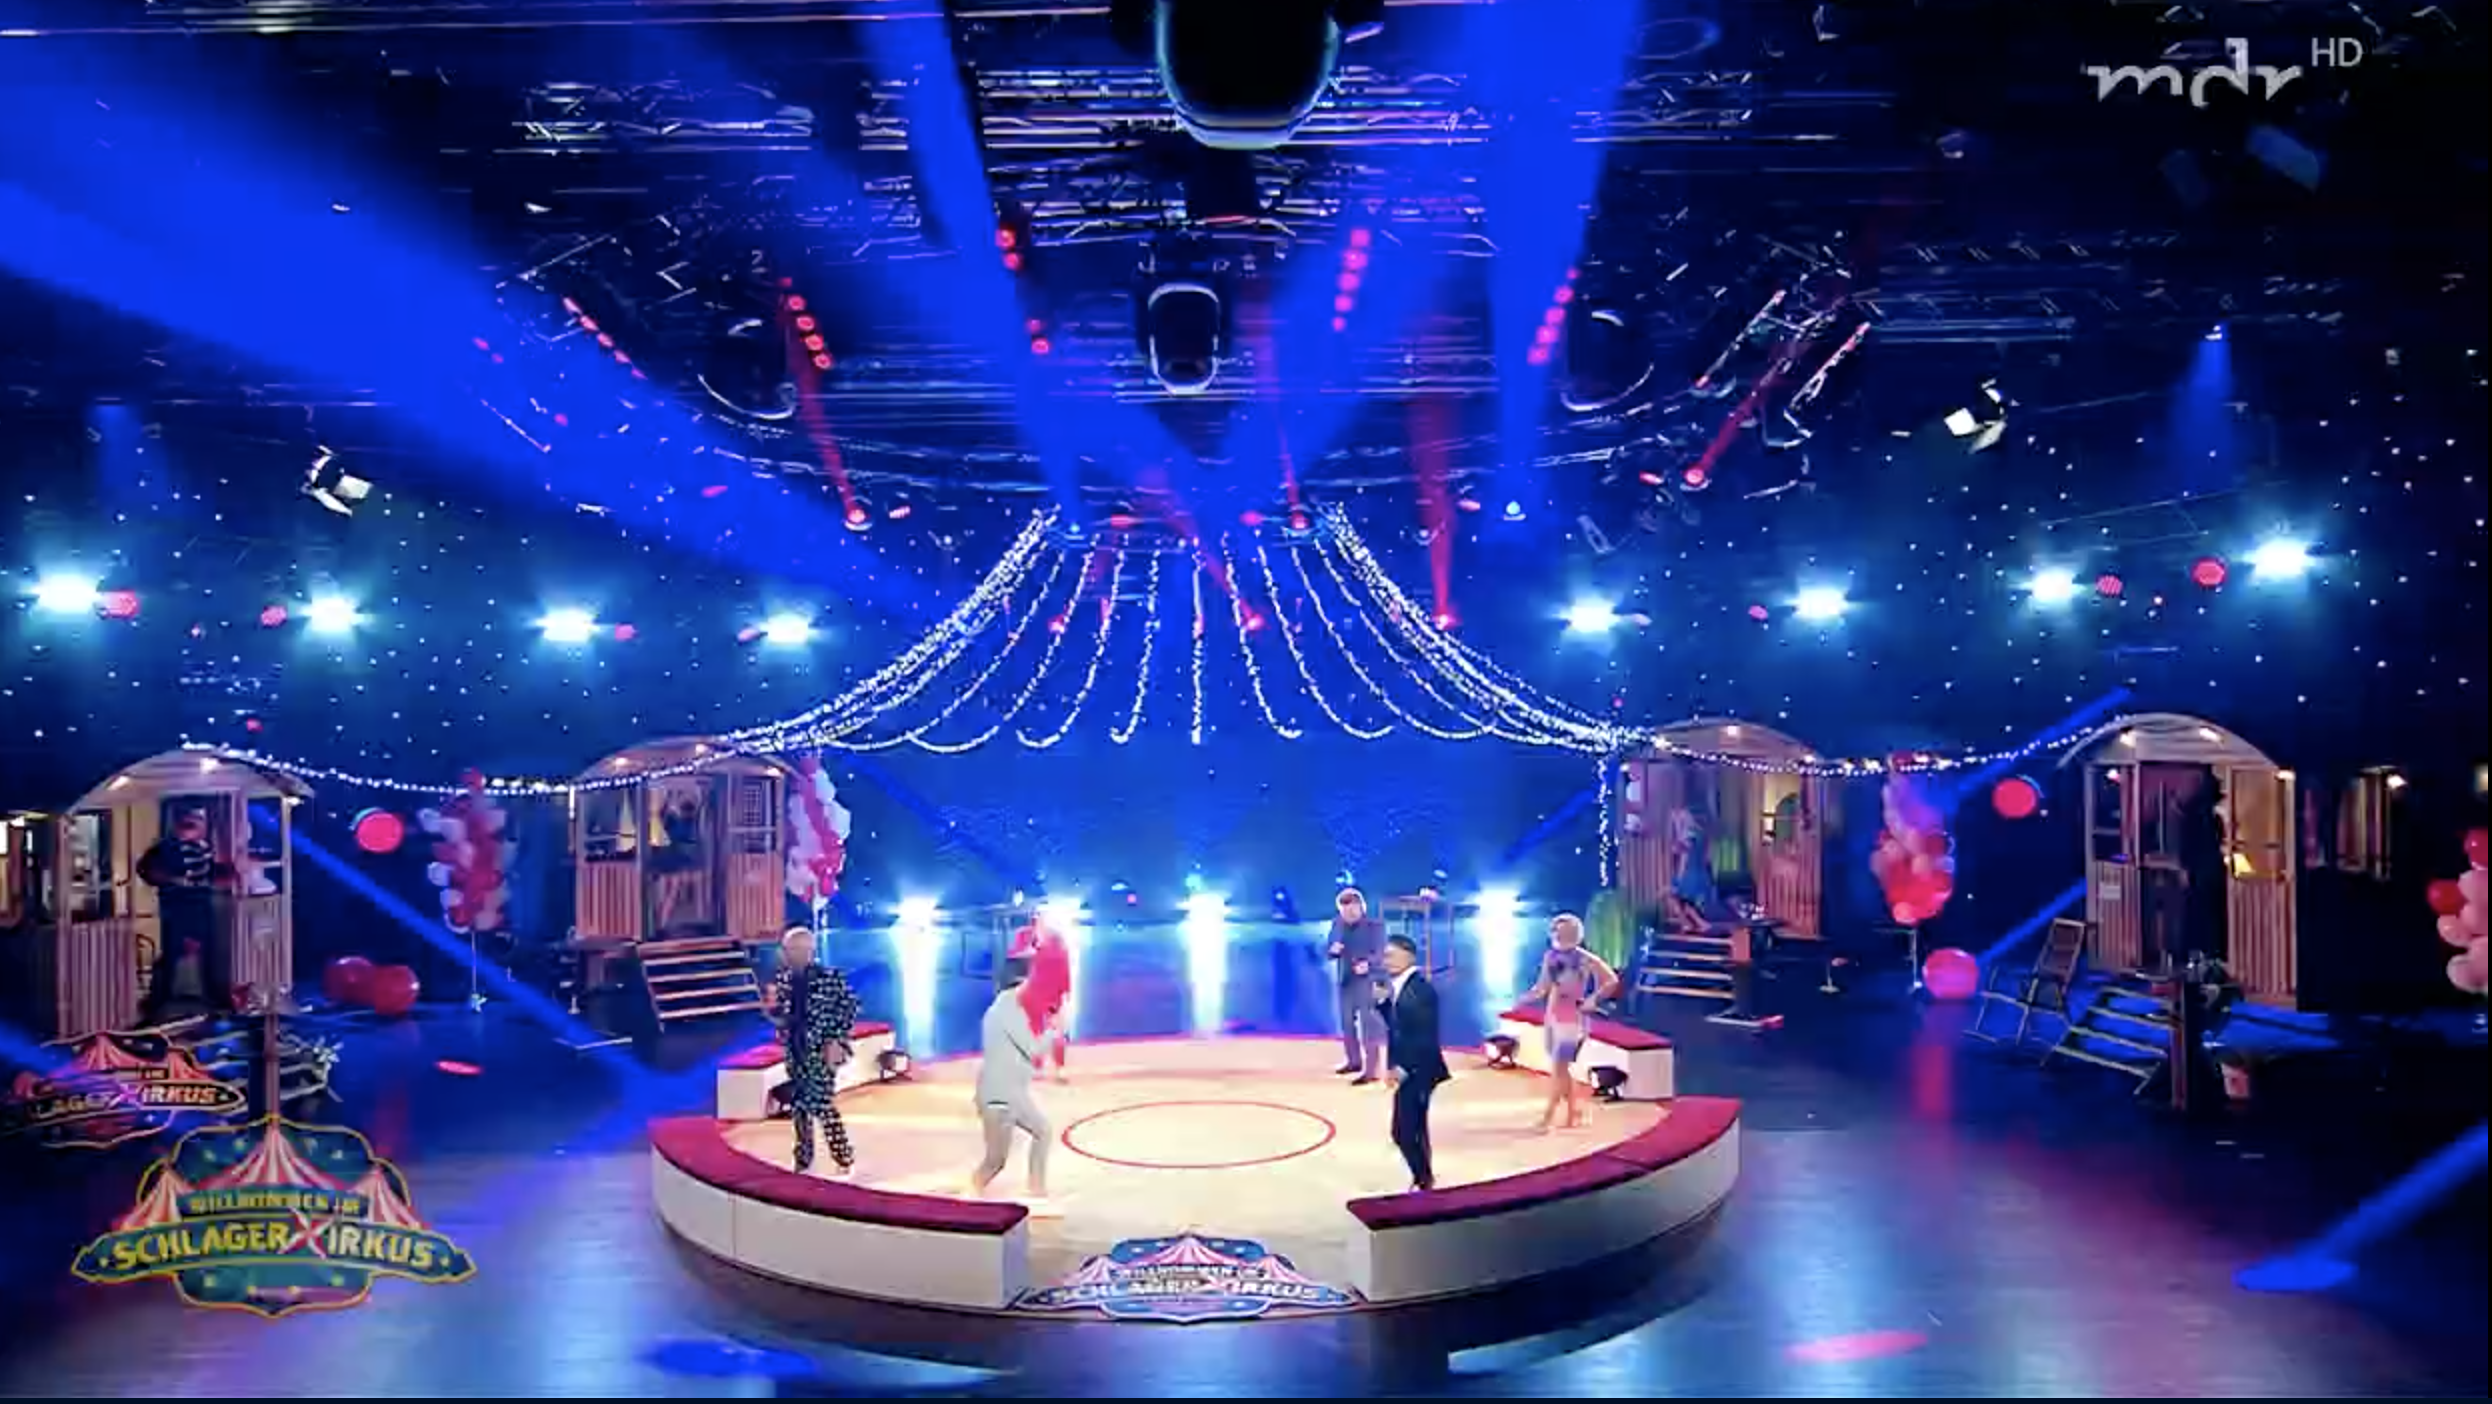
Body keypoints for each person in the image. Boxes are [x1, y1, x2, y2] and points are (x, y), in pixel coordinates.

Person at [764, 926, 859, 1175]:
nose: (785, 955)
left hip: (822, 1051)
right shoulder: (784, 980)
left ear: (806, 951)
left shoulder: (830, 979)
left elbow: (849, 1009)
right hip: (796, 1051)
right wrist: (775, 1014)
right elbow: (782, 1015)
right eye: (785, 950)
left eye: (790, 950)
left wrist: (837, 1040)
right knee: (799, 1105)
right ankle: (804, 1159)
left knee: (821, 1103)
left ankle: (843, 1157)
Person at [971, 955, 1065, 1203]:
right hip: (1000, 1096)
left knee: (1042, 1131)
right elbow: (1032, 1049)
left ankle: (1036, 1190)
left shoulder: (1011, 1008)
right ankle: (969, 1193)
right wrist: (1054, 1031)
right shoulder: (1006, 1009)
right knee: (995, 1161)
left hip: (1011, 1092)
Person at [1517, 913, 1622, 1132]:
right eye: (1555, 930)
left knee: (1558, 1068)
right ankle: (1574, 1111)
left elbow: (1611, 980)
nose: (1557, 934)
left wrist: (1593, 999)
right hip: (1552, 1017)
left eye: (1562, 931)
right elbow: (1542, 987)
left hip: (1573, 1020)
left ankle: (1548, 1116)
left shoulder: (1584, 958)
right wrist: (1525, 998)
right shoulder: (1550, 957)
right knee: (1561, 1069)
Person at [137, 807, 232, 1025]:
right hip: (177, 908)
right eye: (190, 823)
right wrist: (170, 879)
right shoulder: (166, 848)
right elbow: (146, 869)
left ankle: (213, 1001)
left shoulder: (204, 847)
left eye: (198, 822)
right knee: (173, 955)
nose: (195, 827)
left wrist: (221, 875)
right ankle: (158, 1005)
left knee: (207, 954)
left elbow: (210, 872)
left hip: (200, 905)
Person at [1374, 934, 1449, 1192]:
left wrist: (1403, 1068)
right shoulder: (1402, 985)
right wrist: (1383, 1004)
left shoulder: (1420, 990)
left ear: (1408, 956)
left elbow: (1424, 1036)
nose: (1386, 961)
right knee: (1414, 1128)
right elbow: (1399, 1027)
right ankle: (1424, 1178)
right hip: (1413, 1067)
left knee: (1404, 1131)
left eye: (1390, 955)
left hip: (1420, 1069)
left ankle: (1423, 1179)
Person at [1327, 889, 1387, 1083]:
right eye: (1344, 911)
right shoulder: (1337, 924)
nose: (1349, 915)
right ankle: (1353, 1061)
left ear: (1361, 907)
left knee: (1369, 1025)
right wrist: (1332, 950)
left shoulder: (1375, 926)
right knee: (1346, 1023)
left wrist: (1368, 964)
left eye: (1353, 910)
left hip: (1369, 979)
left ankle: (1371, 1071)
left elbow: (1381, 953)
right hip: (1346, 979)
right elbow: (1328, 950)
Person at [1010, 919, 1074, 1083]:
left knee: (1051, 1031)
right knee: (1042, 1031)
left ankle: (1053, 1069)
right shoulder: (1030, 939)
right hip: (1038, 993)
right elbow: (1017, 954)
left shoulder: (1054, 944)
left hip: (1050, 994)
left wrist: (1066, 991)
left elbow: (1064, 969)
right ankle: (1045, 1068)